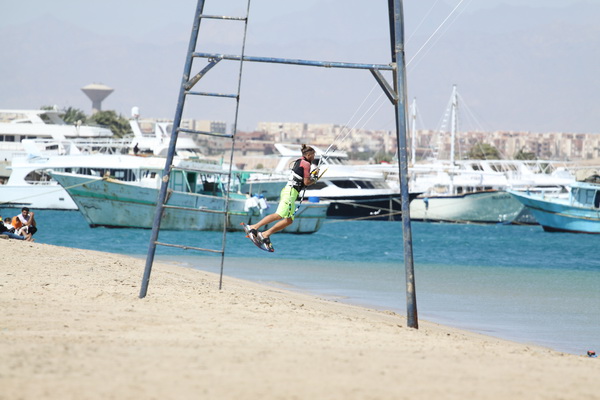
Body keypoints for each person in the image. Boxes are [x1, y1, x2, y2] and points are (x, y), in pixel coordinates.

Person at [247, 144, 319, 250]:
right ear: (308, 155)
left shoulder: (300, 161)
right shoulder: (306, 164)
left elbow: (302, 179)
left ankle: (265, 234)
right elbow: (307, 182)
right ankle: (254, 227)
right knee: (279, 215)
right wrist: (315, 179)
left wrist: (313, 176)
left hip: (290, 192)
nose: (313, 158)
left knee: (288, 220)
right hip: (290, 192)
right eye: (313, 155)